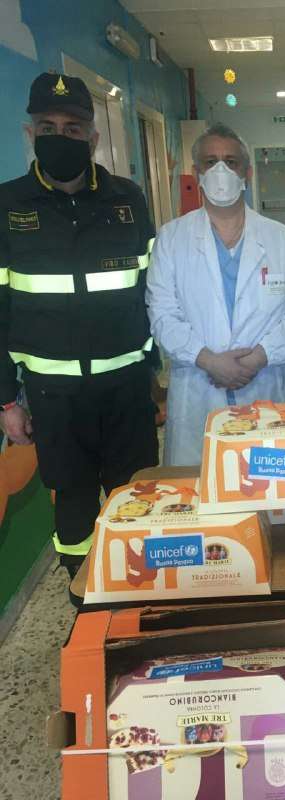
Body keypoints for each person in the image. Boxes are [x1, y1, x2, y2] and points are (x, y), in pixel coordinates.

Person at [0, 73, 158, 579]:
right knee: (72, 500)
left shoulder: (127, 199)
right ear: (30, 134)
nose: (60, 137)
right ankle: (83, 592)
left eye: (72, 128)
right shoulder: (7, 206)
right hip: (53, 396)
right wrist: (7, 402)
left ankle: (140, 591)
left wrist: (155, 374)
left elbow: (150, 291)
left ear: (93, 137)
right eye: (47, 127)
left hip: (126, 387)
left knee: (137, 492)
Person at [146, 123, 285, 465]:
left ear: (246, 172)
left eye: (231, 162)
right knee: (204, 485)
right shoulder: (171, 239)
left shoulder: (280, 238)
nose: (220, 171)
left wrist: (261, 356)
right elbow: (161, 313)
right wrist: (208, 360)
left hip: (268, 383)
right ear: (197, 173)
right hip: (200, 388)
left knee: (272, 486)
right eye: (210, 162)